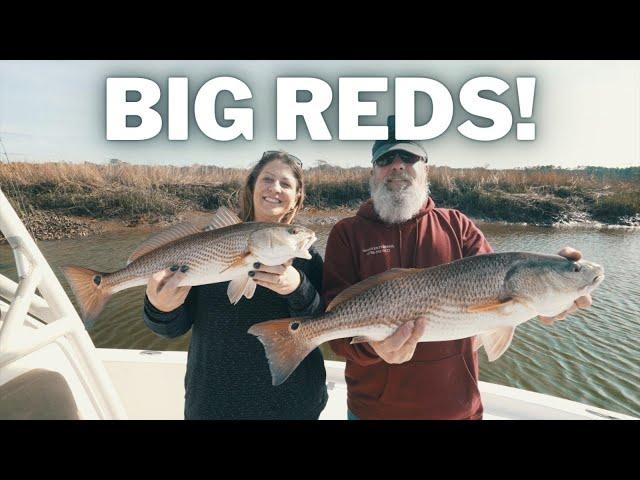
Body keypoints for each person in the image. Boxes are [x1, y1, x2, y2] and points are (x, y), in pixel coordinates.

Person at [322, 115, 593, 420]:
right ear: (373, 171)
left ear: (426, 168)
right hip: (373, 412)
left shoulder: (459, 226)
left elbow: (502, 295)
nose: (397, 165)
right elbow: (336, 334)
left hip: (455, 410)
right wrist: (375, 349)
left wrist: (552, 299)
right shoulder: (347, 233)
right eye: (386, 158)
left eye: (409, 156)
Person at [143, 151, 328, 420]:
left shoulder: (308, 259)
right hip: (215, 403)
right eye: (267, 179)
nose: (275, 188)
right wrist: (160, 308)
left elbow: (325, 324)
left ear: (296, 198)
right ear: (252, 187)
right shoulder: (207, 244)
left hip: (292, 404)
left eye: (286, 184)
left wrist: (298, 288)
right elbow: (172, 327)